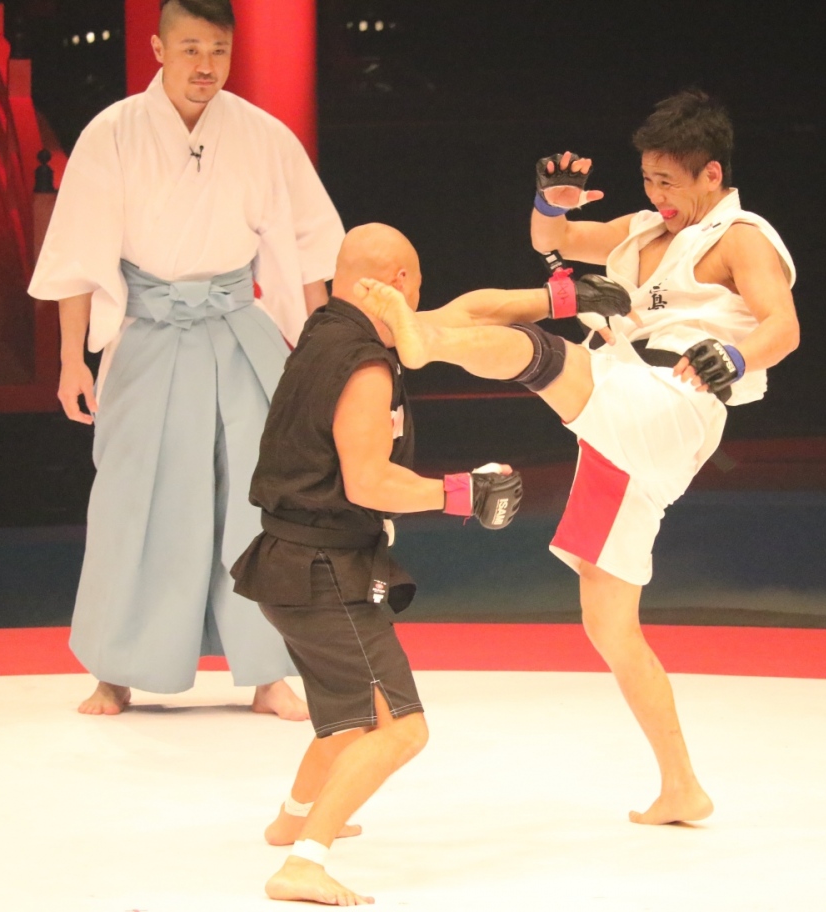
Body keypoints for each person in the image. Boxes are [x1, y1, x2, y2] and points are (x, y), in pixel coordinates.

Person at [354, 89, 799, 827]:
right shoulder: (641, 229)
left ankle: (421, 342)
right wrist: (551, 205)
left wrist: (736, 354)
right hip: (620, 413)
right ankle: (682, 786)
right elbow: (551, 238)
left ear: (712, 175)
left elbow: (783, 326)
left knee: (542, 354)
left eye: (669, 182)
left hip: (674, 401)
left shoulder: (741, 237)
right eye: (648, 179)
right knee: (608, 621)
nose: (656, 195)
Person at [27, 0, 344, 717]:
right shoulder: (112, 133)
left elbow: (311, 253)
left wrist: (322, 356)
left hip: (239, 331)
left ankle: (269, 673)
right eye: (192, 48)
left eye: (219, 51)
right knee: (131, 502)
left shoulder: (263, 135)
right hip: (148, 332)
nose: (206, 65)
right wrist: (72, 361)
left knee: (263, 504)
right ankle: (114, 670)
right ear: (159, 49)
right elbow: (77, 257)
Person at [230, 223, 525, 905]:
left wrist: (554, 298)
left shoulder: (320, 333)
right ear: (397, 282)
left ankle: (292, 820)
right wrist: (462, 494)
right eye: (414, 289)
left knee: (349, 717)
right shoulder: (364, 365)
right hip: (325, 571)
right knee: (401, 727)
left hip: (288, 562)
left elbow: (469, 314)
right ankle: (305, 861)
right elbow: (367, 482)